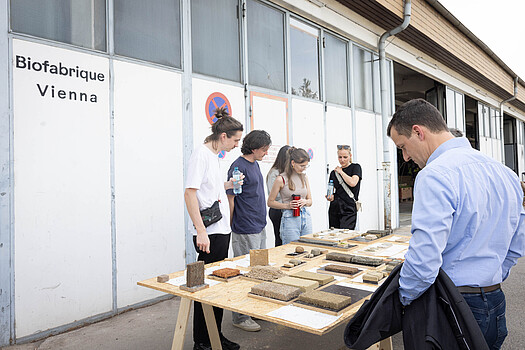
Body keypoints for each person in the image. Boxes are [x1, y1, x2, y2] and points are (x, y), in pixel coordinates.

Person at [387, 98, 525, 349]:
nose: (405, 157)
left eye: (403, 147)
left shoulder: (435, 174)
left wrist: (404, 298)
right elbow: (518, 242)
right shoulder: (506, 173)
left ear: (418, 132)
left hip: (453, 305)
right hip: (495, 301)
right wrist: (488, 278)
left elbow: (424, 258)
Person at [184, 107, 244, 350]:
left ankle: (214, 335)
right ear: (223, 136)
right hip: (208, 232)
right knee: (205, 287)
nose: (237, 145)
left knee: (217, 285)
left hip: (220, 229)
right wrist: (200, 230)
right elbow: (190, 193)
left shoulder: (214, 156)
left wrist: (228, 184)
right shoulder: (200, 155)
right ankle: (202, 341)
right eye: (236, 140)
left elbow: (210, 187)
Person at [226, 130, 271, 332]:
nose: (266, 153)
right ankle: (240, 316)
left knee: (259, 271)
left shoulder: (255, 164)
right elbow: (231, 197)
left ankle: (252, 310)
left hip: (259, 225)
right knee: (245, 273)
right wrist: (231, 223)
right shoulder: (238, 166)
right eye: (264, 149)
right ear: (254, 148)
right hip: (245, 227)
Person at [267, 147, 313, 245]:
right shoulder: (281, 179)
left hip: (305, 216)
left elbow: (310, 201)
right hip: (289, 217)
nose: (304, 168)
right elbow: (270, 202)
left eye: (306, 166)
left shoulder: (304, 177)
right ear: (293, 163)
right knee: (291, 250)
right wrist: (287, 206)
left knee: (308, 248)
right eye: (302, 166)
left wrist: (305, 202)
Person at [325, 144, 362, 229]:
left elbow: (353, 182)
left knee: (346, 235)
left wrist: (341, 172)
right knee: (334, 234)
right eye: (340, 157)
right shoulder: (333, 173)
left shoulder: (355, 167)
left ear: (350, 156)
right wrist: (330, 197)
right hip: (335, 207)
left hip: (349, 207)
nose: (342, 160)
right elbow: (332, 189)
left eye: (345, 157)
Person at [266, 145, 291, 246]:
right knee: (280, 239)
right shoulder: (274, 173)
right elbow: (274, 196)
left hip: (288, 210)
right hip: (278, 210)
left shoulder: (289, 172)